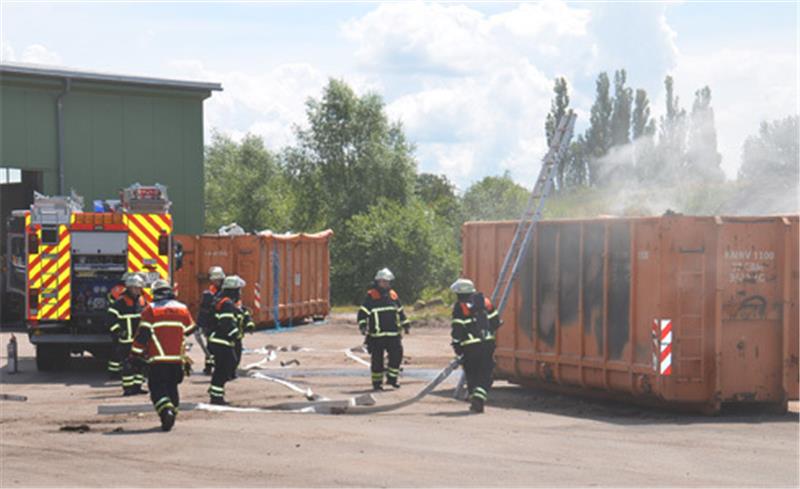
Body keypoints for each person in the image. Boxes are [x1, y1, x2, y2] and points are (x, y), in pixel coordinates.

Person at [129, 279, 195, 432]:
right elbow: (190, 329)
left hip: (157, 360)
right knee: (172, 387)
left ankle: (166, 411)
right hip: (177, 360)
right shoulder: (183, 309)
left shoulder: (150, 310)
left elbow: (142, 336)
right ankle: (172, 412)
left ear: (155, 293)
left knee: (157, 388)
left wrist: (134, 355)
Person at [450, 278, 501, 414]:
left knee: (472, 373)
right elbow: (496, 322)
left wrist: (456, 344)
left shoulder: (460, 306)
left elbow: (457, 328)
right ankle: (479, 398)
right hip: (487, 344)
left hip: (470, 347)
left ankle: (475, 399)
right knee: (486, 373)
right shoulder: (486, 302)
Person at [357, 268, 410, 391]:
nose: (386, 284)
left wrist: (406, 324)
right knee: (377, 361)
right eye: (383, 281)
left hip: (393, 334)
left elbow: (400, 312)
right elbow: (363, 313)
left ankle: (392, 379)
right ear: (378, 281)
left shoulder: (393, 295)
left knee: (397, 356)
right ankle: (377, 383)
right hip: (377, 336)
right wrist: (363, 325)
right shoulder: (371, 296)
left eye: (387, 282)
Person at [207, 275, 248, 405]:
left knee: (225, 367)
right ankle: (216, 396)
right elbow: (226, 323)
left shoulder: (226, 302)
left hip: (221, 341)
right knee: (225, 368)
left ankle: (216, 394)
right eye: (238, 290)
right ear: (233, 290)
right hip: (221, 341)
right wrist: (235, 334)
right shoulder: (226, 304)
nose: (240, 293)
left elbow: (238, 316)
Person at [108, 273, 148, 395]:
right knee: (128, 365)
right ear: (129, 288)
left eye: (138, 288)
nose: (136, 290)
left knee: (140, 364)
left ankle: (137, 387)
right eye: (134, 288)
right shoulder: (120, 302)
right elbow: (110, 319)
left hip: (139, 339)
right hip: (126, 340)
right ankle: (128, 388)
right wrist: (119, 332)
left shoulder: (141, 301)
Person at [197, 266, 225, 375]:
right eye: (213, 280)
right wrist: (200, 324)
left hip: (221, 323)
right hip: (211, 323)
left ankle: (220, 366)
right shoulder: (210, 291)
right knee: (210, 346)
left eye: (216, 280)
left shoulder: (226, 291)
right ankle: (208, 367)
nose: (215, 282)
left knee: (221, 347)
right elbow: (204, 309)